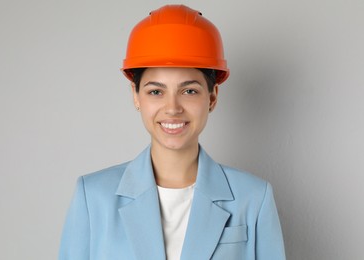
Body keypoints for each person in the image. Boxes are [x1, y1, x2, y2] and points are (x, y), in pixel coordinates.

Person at [59, 4, 285, 260]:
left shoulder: (253, 198)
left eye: (189, 91)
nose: (173, 108)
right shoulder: (93, 196)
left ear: (212, 97)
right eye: (156, 91)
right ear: (136, 97)